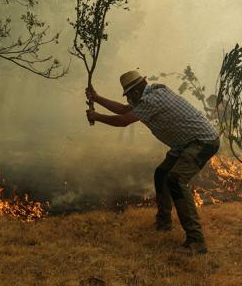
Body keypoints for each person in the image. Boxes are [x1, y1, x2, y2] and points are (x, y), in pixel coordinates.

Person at [85, 70, 220, 255]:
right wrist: (97, 98)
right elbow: (125, 110)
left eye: (128, 95)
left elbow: (123, 120)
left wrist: (97, 117)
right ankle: (164, 223)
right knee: (162, 174)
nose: (128, 100)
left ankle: (197, 242)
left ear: (134, 93)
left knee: (176, 181)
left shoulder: (152, 100)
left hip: (202, 141)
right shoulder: (155, 91)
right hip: (185, 143)